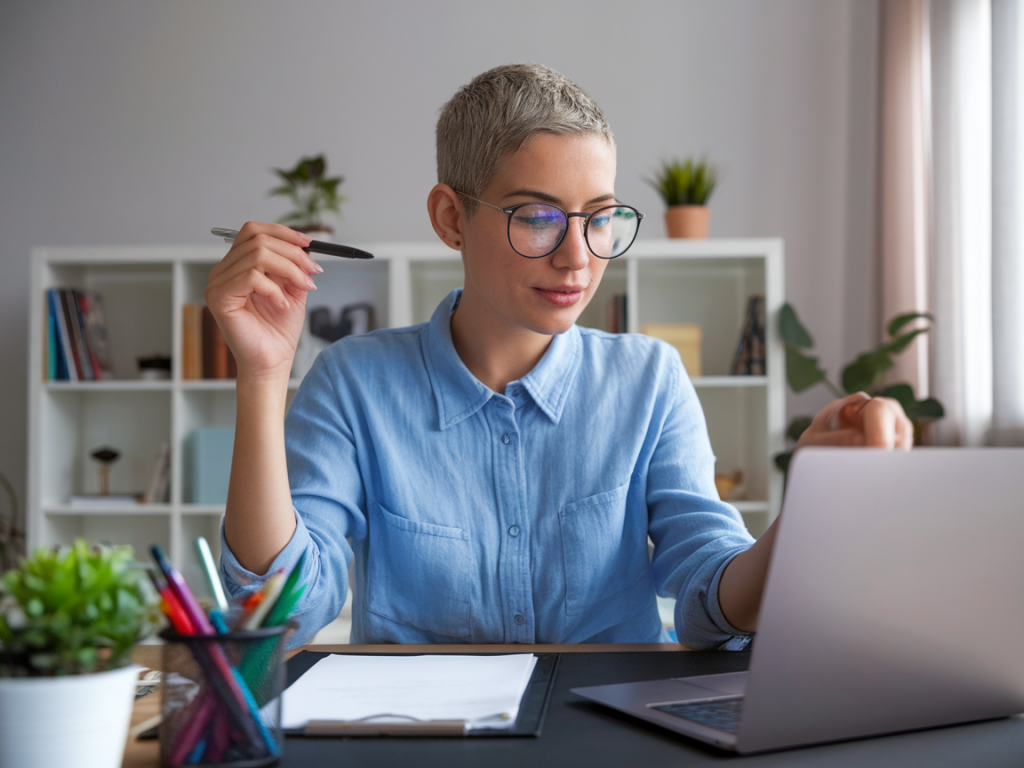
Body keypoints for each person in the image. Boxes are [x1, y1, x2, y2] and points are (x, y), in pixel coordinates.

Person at [207, 63, 912, 649]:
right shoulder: (355, 384)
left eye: (600, 217)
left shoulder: (649, 379)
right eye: (537, 217)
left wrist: (810, 512)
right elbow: (283, 614)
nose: (578, 257)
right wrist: (263, 376)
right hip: (422, 742)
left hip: (613, 737)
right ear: (452, 218)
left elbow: (709, 599)